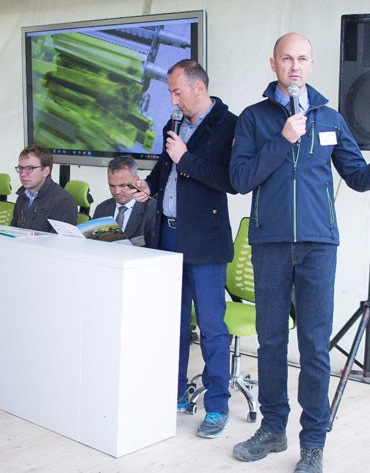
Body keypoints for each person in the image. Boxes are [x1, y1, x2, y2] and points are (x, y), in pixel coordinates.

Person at [229, 33, 370, 473]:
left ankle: (313, 443)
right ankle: (272, 429)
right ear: (273, 64)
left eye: (302, 59)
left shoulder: (330, 118)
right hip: (270, 245)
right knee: (271, 342)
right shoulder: (254, 118)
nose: (294, 66)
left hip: (318, 247)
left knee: (314, 347)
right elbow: (240, 179)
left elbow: (357, 177)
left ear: (311, 65)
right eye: (286, 59)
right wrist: (283, 139)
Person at [132, 59, 237, 438]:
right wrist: (150, 187)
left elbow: (229, 180)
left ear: (199, 87)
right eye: (171, 94)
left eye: (177, 92)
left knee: (210, 326)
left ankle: (218, 406)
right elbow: (165, 169)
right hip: (169, 235)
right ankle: (174, 390)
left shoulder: (229, 125)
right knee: (172, 322)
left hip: (206, 242)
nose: (173, 101)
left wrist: (185, 158)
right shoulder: (173, 125)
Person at [11, 144, 77, 232]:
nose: (22, 174)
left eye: (29, 169)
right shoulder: (22, 197)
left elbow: (61, 239)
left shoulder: (63, 201)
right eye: (20, 168)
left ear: (46, 171)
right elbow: (13, 231)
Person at [92, 156, 156, 247]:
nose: (116, 192)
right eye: (112, 186)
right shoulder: (101, 209)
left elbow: (156, 250)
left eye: (123, 185)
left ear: (136, 181)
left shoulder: (152, 210)